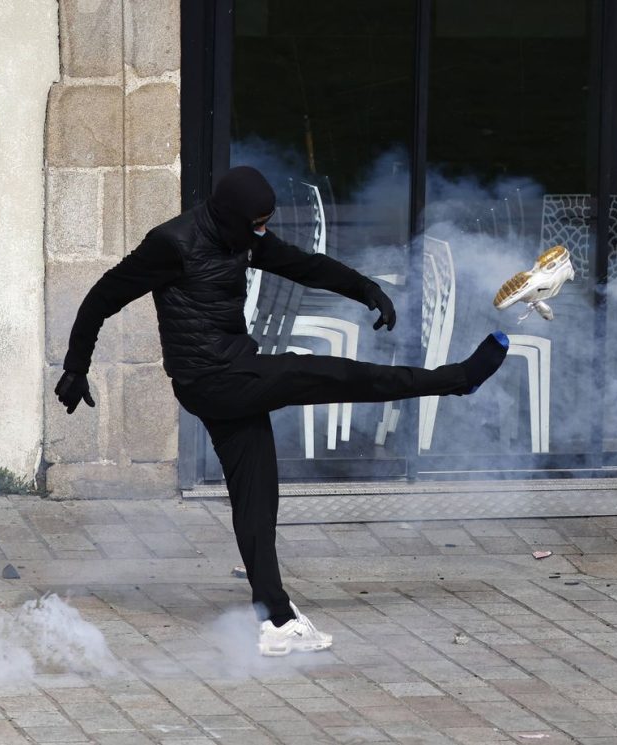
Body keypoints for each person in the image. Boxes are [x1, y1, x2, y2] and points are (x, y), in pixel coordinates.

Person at [54, 166, 508, 656]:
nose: (263, 232)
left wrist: (365, 288)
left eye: (265, 223)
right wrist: (77, 367)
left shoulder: (243, 238)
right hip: (213, 379)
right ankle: (457, 380)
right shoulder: (172, 244)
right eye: (257, 224)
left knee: (257, 499)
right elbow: (102, 297)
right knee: (330, 373)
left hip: (234, 375)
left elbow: (304, 265)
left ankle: (275, 618)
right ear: (232, 217)